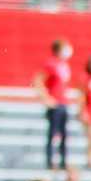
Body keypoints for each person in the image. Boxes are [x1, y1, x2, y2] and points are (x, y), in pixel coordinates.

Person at [35, 38, 72, 170]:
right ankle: (50, 161)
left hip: (63, 102)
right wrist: (46, 99)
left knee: (64, 134)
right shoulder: (51, 64)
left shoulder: (64, 64)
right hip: (55, 104)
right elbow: (38, 81)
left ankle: (63, 160)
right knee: (52, 133)